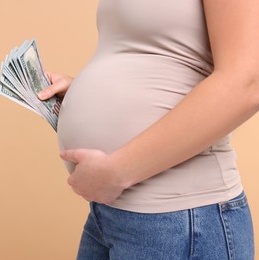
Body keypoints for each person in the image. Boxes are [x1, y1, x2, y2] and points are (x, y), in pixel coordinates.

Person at [38, 0, 257, 259]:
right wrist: (89, 91)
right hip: (111, 214)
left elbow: (246, 84)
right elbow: (157, 55)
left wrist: (117, 172)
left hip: (180, 218)